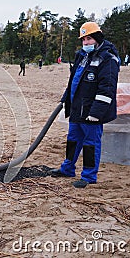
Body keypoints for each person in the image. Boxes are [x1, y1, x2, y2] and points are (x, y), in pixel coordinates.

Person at [51, 21, 120, 188]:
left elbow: (107, 89)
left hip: (91, 112)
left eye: (89, 39)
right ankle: (67, 169)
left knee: (90, 144)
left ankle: (89, 176)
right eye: (83, 40)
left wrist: (96, 113)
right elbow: (74, 81)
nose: (86, 43)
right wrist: (66, 99)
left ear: (97, 38)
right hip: (77, 109)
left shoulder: (108, 59)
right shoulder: (82, 56)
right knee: (73, 139)